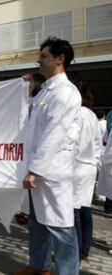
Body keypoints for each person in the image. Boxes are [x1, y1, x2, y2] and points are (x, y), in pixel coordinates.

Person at [12, 37, 81, 275]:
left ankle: (67, 272)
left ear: (59, 59)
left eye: (43, 56)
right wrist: (28, 92)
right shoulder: (44, 92)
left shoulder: (65, 93)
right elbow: (31, 121)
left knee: (61, 227)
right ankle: (39, 266)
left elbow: (54, 134)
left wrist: (35, 170)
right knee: (37, 222)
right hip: (37, 170)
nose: (38, 60)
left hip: (51, 173)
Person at [72, 81, 102, 262]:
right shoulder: (92, 116)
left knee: (73, 210)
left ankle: (74, 250)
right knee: (85, 209)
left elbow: (72, 142)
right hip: (90, 167)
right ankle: (85, 249)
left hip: (76, 166)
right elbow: (98, 143)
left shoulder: (75, 114)